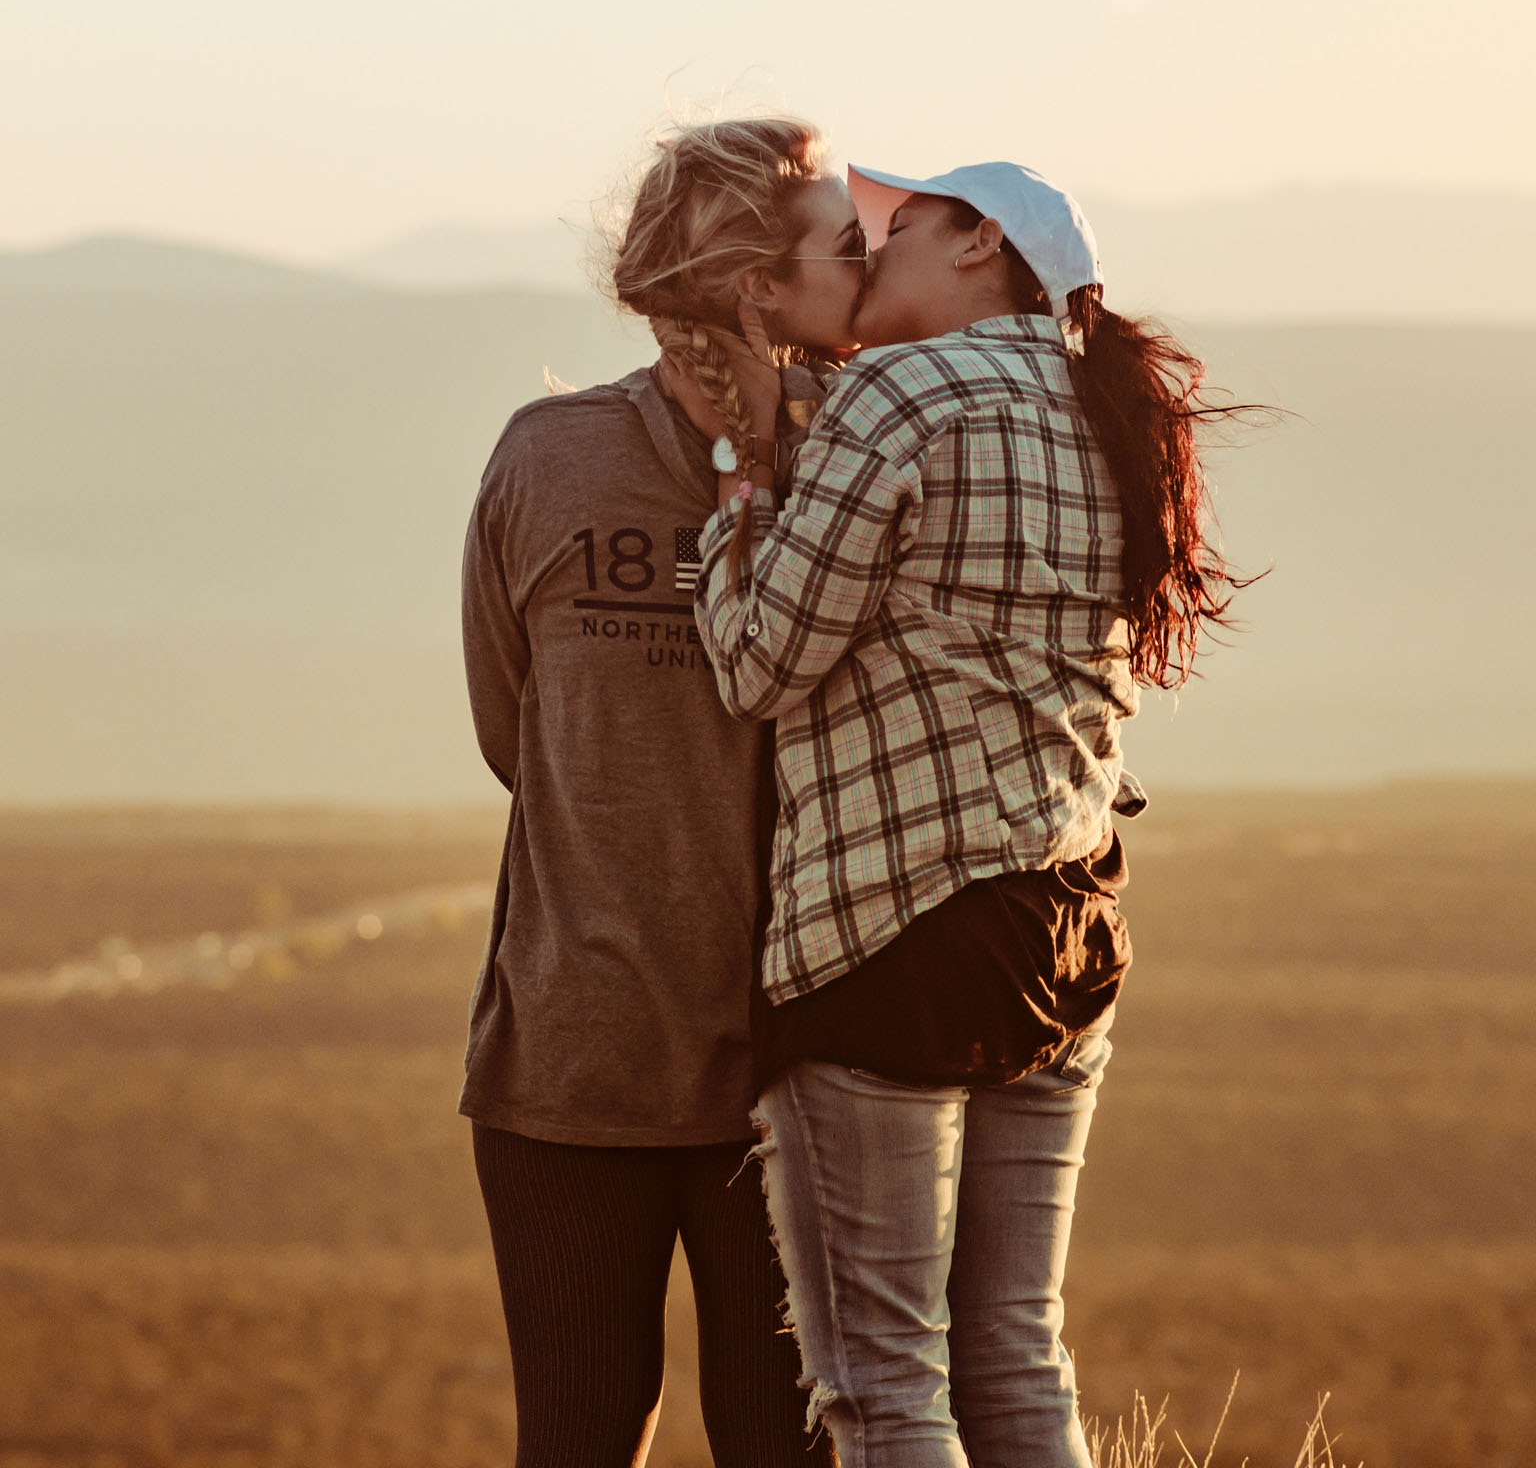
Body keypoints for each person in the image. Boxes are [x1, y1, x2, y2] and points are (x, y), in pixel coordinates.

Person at [685, 159, 1245, 1468]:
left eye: (901, 228)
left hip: (894, 930)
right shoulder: (1108, 412)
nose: (871, 254)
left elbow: (765, 663)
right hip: (1070, 926)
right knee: (1013, 1350)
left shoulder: (902, 392)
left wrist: (732, 516)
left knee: (883, 1382)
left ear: (984, 243)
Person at [457, 117, 863, 1468]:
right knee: (575, 1438)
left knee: (784, 1448)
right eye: (840, 246)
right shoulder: (549, 457)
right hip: (571, 1068)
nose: (866, 271)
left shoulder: (867, 466)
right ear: (754, 282)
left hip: (799, 1077)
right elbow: (516, 734)